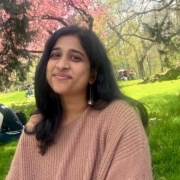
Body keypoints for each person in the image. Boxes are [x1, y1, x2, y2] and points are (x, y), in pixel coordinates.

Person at [6, 25, 153, 180]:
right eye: (55, 55)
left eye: (75, 57)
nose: (61, 65)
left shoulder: (118, 119)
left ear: (92, 74)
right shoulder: (35, 127)